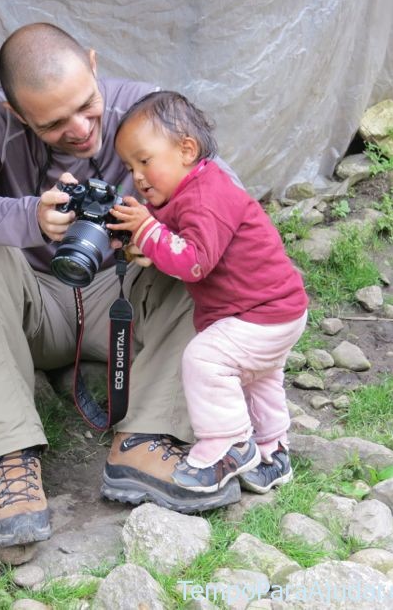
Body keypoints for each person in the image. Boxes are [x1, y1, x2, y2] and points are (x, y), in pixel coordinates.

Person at [0, 23, 240, 548]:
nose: (81, 128)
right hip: (32, 308)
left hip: (122, 296)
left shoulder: (146, 110)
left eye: (87, 105)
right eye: (53, 123)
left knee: (206, 261)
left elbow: (228, 201)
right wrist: (29, 218)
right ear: (17, 113)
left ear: (94, 64)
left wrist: (157, 234)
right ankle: (12, 458)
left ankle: (144, 439)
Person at [107, 90, 309, 495]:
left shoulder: (207, 196)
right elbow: (171, 236)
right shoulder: (191, 191)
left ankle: (228, 446)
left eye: (144, 161)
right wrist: (141, 240)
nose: (138, 177)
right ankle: (273, 453)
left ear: (186, 149)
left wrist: (147, 231)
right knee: (258, 379)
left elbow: (194, 261)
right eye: (130, 167)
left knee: (204, 359)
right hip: (277, 311)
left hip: (261, 315)